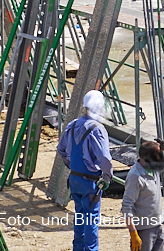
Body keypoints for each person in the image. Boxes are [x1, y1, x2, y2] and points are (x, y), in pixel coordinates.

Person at [56, 90, 113, 251]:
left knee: (80, 216)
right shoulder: (97, 128)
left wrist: (72, 166)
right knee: (91, 219)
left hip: (74, 179)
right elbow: (104, 158)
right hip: (90, 181)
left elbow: (61, 150)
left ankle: (78, 248)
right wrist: (107, 176)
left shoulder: (72, 125)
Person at [121, 139, 164, 251]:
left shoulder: (154, 168)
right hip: (144, 229)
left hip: (157, 224)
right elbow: (126, 207)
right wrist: (133, 233)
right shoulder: (135, 176)